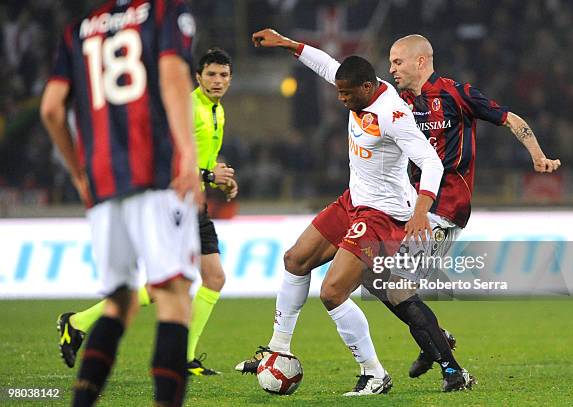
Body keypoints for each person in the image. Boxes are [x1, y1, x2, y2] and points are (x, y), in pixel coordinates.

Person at [236, 28, 445, 396]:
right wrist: (288, 44)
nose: (342, 98)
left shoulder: (393, 114)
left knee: (333, 292)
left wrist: (421, 211)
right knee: (295, 259)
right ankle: (278, 349)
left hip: (383, 215)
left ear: (366, 88)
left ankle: (374, 374)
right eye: (340, 92)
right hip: (353, 201)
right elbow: (328, 65)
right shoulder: (360, 86)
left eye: (347, 93)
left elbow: (431, 162)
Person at [40, 1, 201, 406]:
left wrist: (78, 172)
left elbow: (51, 109)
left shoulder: (76, 31)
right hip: (156, 174)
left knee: (120, 303)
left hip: (102, 182)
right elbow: (172, 77)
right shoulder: (164, 11)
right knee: (174, 298)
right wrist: (188, 153)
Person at [377, 34, 561, 381]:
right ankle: (436, 340)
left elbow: (509, 118)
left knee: (395, 286)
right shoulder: (398, 100)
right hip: (411, 205)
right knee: (384, 281)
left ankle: (452, 370)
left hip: (446, 207)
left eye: (397, 61)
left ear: (421, 61)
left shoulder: (455, 93)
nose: (391, 68)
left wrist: (537, 154)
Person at [55, 47, 237, 377]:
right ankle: (78, 322)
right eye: (211, 74)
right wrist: (210, 176)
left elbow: (201, 161)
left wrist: (218, 179)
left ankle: (185, 356)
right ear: (198, 77)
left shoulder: (218, 111)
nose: (217, 81)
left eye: (223, 75)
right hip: (171, 202)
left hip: (194, 203)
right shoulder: (188, 107)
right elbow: (167, 160)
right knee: (165, 287)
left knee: (213, 277)